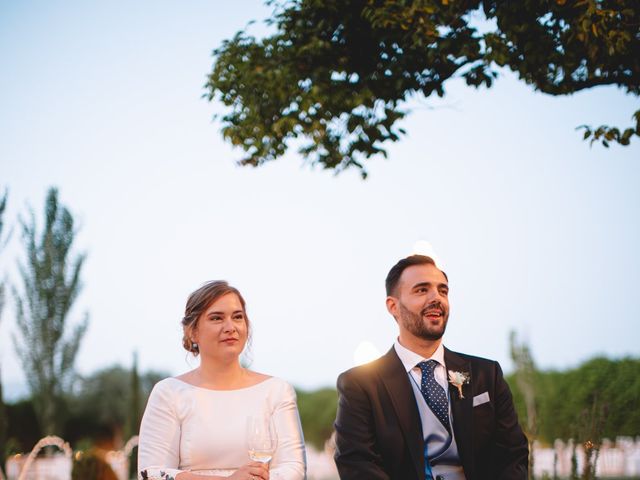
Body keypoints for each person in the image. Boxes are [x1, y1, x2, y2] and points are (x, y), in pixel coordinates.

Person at [334, 255, 529, 480]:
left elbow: (512, 455)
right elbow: (357, 464)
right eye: (422, 290)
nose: (436, 298)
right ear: (393, 306)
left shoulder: (487, 374)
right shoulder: (360, 384)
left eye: (443, 291)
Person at [138, 281, 306, 480]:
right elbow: (152, 473)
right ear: (192, 331)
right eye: (217, 318)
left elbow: (294, 469)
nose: (230, 327)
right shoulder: (169, 393)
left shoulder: (276, 391)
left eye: (237, 317)